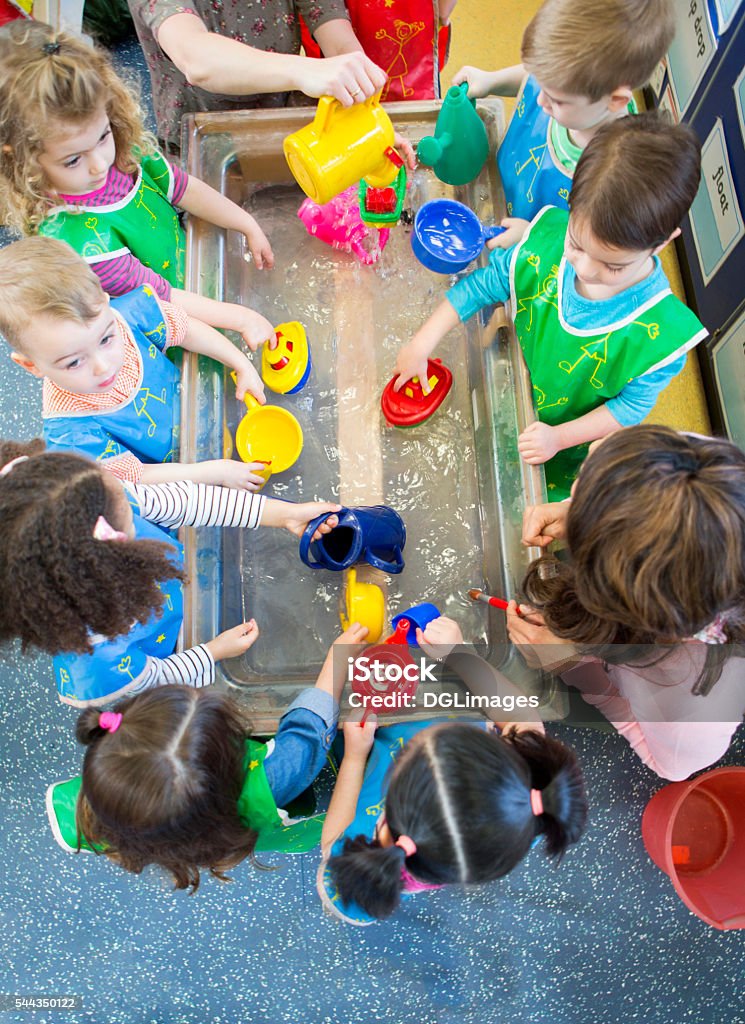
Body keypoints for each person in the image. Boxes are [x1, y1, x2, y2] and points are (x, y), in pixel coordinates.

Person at [395, 113, 707, 499]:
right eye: (577, 244)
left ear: (662, 244)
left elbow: (630, 407)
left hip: (566, 440)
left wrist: (559, 437)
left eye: (613, 265)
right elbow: (485, 285)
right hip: (520, 383)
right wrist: (422, 343)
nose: (585, 269)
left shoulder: (659, 334)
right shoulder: (550, 237)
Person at [0, 439, 343, 706]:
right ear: (101, 566)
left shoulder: (95, 497)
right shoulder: (101, 664)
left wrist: (284, 515)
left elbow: (186, 501)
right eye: (129, 517)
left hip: (162, 596)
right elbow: (159, 677)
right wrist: (211, 653)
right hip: (164, 645)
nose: (134, 503)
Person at [0, 21, 278, 346]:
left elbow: (181, 187)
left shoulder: (123, 147)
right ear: (24, 159)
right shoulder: (79, 240)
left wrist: (246, 223)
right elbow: (159, 297)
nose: (99, 164)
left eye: (103, 136)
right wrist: (240, 317)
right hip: (174, 322)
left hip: (190, 277)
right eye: (73, 160)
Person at [46, 624, 370, 890]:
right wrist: (338, 660)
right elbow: (306, 738)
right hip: (275, 805)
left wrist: (212, 651)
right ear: (228, 761)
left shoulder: (115, 789)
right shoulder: (270, 782)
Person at [508, 426, 745, 781]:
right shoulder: (708, 473)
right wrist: (577, 513)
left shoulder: (693, 713)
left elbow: (670, 767)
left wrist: (576, 668)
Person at [318, 616, 587, 924]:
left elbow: (330, 844)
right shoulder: (520, 813)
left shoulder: (363, 863)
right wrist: (460, 655)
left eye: (409, 754)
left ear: (390, 805)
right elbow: (526, 723)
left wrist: (354, 756)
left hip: (364, 740)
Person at [0, 237, 272, 488]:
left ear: (105, 302)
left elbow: (186, 329)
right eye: (73, 363)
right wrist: (214, 472)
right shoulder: (71, 433)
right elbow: (138, 476)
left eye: (106, 340)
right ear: (31, 366)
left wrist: (241, 364)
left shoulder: (128, 316)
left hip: (203, 416)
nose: (103, 366)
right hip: (182, 475)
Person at [452, 0, 674, 240]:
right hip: (504, 193)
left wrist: (533, 236)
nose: (540, 100)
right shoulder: (568, 87)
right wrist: (491, 81)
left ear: (616, 100)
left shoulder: (615, 172)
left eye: (556, 100)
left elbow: (586, 244)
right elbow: (533, 77)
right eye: (541, 82)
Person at [126, 0, 389, 154]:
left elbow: (335, 32)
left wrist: (365, 116)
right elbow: (195, 57)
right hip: (206, 140)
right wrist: (304, 69)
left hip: (286, 125)